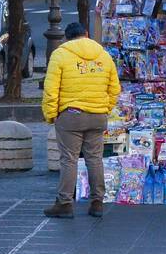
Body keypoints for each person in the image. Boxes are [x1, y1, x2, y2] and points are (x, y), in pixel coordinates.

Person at [42, 22, 120, 218]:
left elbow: (51, 90)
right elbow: (114, 89)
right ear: (86, 34)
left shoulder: (60, 54)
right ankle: (97, 203)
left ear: (67, 38)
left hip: (71, 115)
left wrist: (51, 115)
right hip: (97, 116)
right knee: (95, 159)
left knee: (69, 159)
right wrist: (105, 108)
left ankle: (64, 203)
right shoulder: (104, 55)